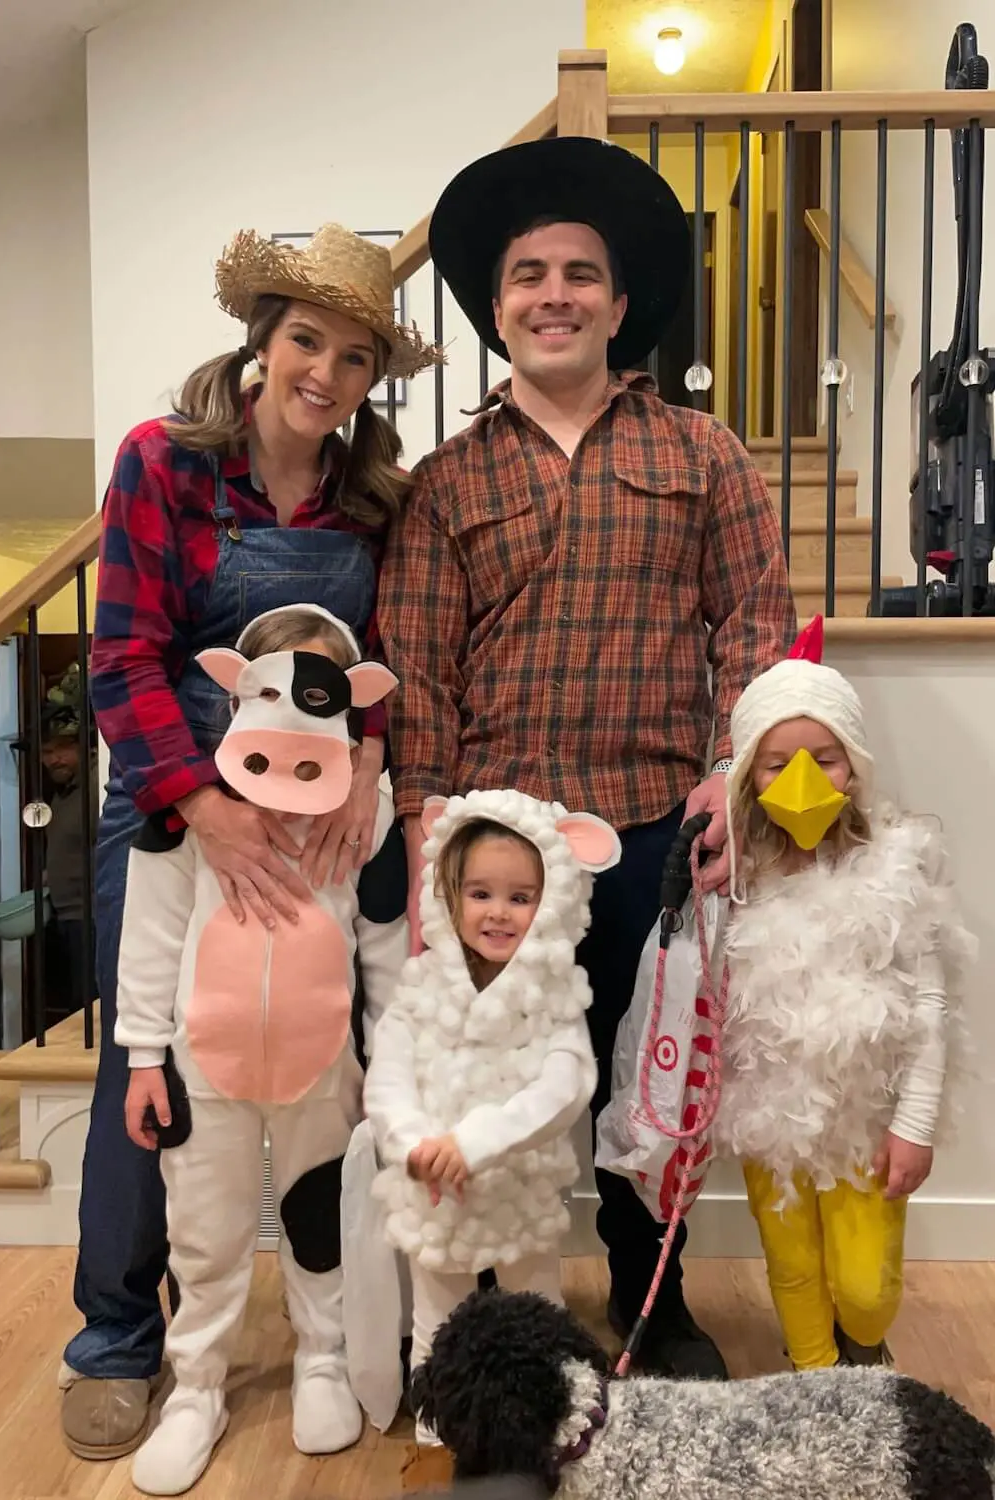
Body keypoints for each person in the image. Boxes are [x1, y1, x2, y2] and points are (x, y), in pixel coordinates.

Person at [379, 136, 797, 1378]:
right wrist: (423, 821)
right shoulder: (447, 482)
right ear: (496, 308)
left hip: (653, 833)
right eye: (524, 276)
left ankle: (648, 1298)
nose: (551, 293)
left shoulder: (703, 455)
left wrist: (737, 765)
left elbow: (755, 624)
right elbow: (420, 662)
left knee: (637, 1079)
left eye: (577, 273)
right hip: (491, 853)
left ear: (618, 304)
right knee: (484, 1081)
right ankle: (485, 1322)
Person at [60, 222, 439, 1460]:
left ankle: (351, 1335)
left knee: (336, 1051)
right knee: (151, 1066)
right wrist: (203, 808)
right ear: (260, 341)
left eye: (352, 356)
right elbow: (120, 656)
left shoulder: (375, 499)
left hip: (327, 815)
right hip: (177, 813)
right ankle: (120, 1342)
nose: (322, 373)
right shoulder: (163, 466)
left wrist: (368, 770)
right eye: (304, 341)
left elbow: (394, 662)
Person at [114, 604, 405, 1493]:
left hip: (324, 1068)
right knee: (205, 1231)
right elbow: (152, 934)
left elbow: (386, 943)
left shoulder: (370, 814)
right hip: (207, 1067)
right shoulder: (189, 815)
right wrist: (140, 1057)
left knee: (321, 1221)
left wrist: (393, 1065)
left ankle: (323, 1355)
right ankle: (196, 1386)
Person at [715, 616, 973, 1371]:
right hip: (770, 1124)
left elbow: (929, 1008)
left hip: (863, 1122)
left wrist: (915, 1124)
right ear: (745, 780)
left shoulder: (900, 869)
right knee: (793, 1269)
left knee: (863, 1286)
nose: (800, 782)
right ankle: (815, 1382)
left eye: (824, 759)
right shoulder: (736, 878)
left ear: (854, 766)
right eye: (774, 766)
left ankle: (863, 1347)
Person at [363, 789, 620, 1442]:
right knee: (436, 1319)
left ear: (552, 902)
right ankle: (434, 1441)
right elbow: (388, 1076)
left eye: (520, 897)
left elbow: (564, 1086)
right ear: (450, 894)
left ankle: (547, 1433)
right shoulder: (421, 988)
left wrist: (475, 1141)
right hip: (433, 1186)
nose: (498, 912)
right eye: (480, 893)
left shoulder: (553, 998)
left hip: (517, 1187)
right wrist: (415, 1143)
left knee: (532, 1310)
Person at [40, 687, 98, 1021]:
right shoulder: (63, 792)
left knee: (91, 1010)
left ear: (84, 746)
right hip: (68, 917)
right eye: (47, 751)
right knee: (79, 1008)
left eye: (62, 749)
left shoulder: (94, 785)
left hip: (91, 918)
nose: (53, 759)